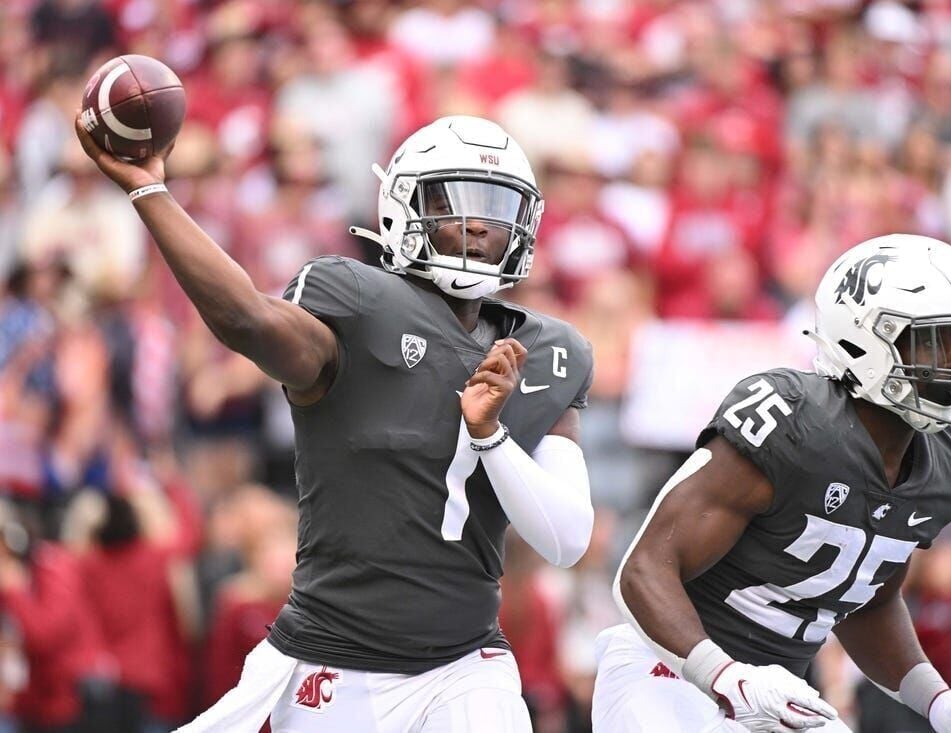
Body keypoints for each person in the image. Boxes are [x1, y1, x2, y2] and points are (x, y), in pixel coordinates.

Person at [74, 113, 595, 732]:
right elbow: (246, 319)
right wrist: (149, 191)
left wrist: (491, 436)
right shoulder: (355, 299)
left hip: (465, 664)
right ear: (404, 206)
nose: (480, 223)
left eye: (497, 206)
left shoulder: (550, 351)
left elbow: (566, 540)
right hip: (333, 661)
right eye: (455, 202)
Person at [592, 234, 951, 733]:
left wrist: (938, 700)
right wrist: (727, 677)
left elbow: (869, 602)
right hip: (669, 672)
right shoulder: (794, 423)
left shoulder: (944, 461)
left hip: (781, 691)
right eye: (934, 341)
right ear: (866, 339)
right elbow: (644, 571)